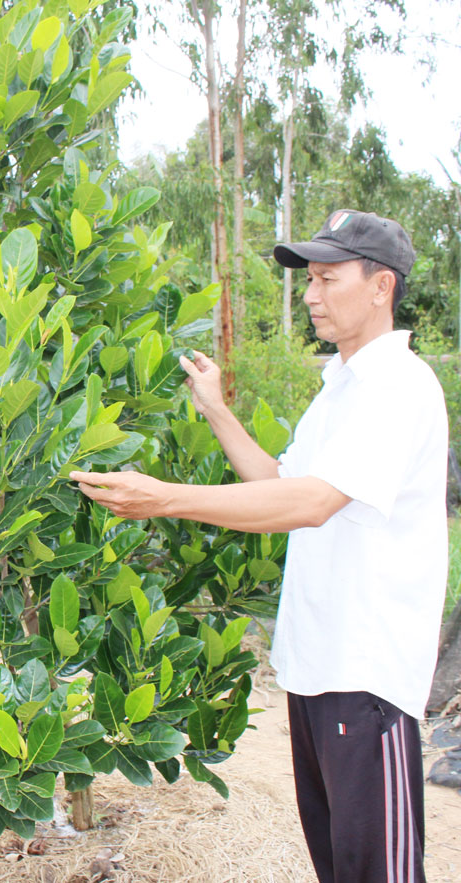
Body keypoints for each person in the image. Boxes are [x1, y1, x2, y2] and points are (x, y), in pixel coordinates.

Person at [71, 210, 447, 883]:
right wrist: (215, 407)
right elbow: (279, 478)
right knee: (338, 866)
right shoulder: (341, 388)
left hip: (365, 676)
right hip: (316, 669)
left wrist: (163, 497)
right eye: (309, 280)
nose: (310, 294)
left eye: (328, 278)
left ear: (381, 286)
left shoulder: (400, 388)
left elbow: (310, 503)